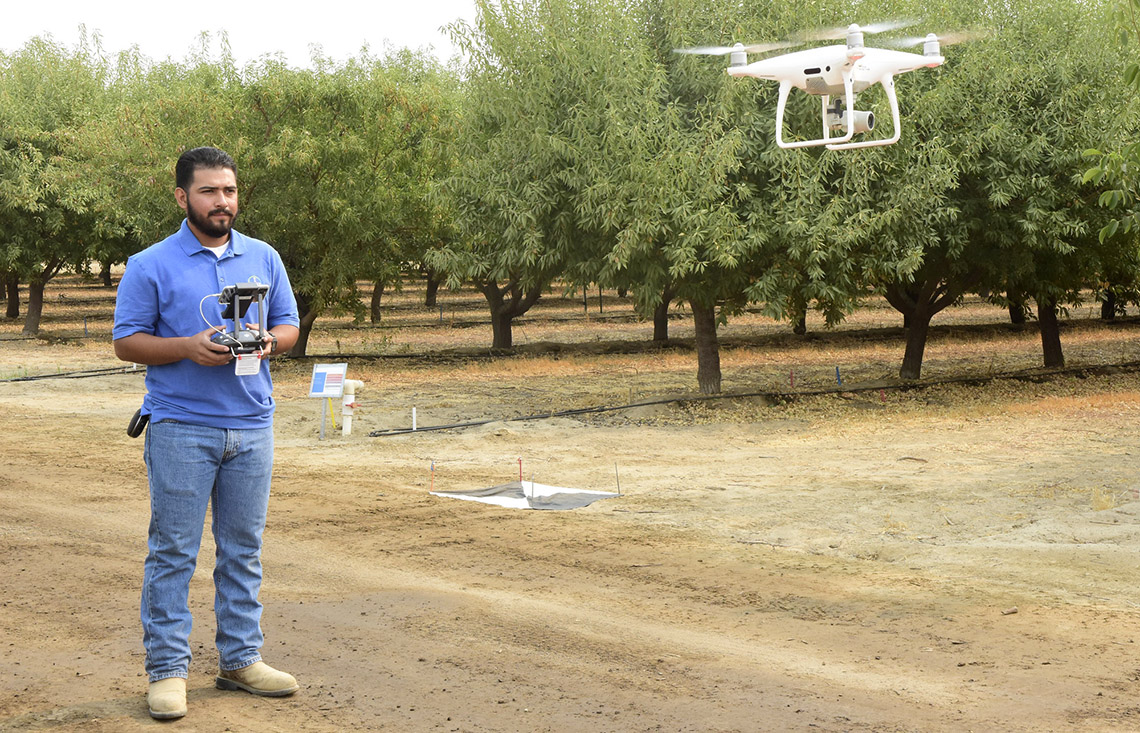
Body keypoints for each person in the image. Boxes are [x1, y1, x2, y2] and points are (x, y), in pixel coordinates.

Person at [113, 146, 301, 720]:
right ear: (182, 197)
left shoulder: (264, 257)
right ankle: (167, 672)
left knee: (243, 552)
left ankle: (241, 661)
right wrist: (188, 349)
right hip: (180, 428)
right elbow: (126, 342)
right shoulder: (151, 264)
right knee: (172, 552)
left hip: (252, 426)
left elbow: (289, 325)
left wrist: (271, 343)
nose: (223, 202)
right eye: (210, 191)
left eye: (230, 191)